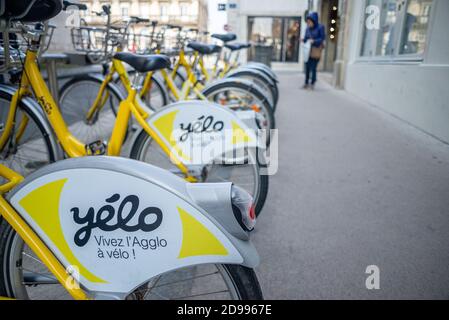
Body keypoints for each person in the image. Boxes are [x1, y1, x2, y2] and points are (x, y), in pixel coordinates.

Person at [302, 12, 326, 90]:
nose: (308, 23)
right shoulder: (307, 29)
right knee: (307, 67)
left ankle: (312, 83)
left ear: (314, 20)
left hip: (316, 50)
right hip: (308, 51)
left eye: (309, 22)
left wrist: (314, 41)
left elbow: (322, 38)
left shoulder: (320, 27)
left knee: (313, 68)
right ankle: (306, 83)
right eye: (307, 22)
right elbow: (306, 38)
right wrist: (303, 40)